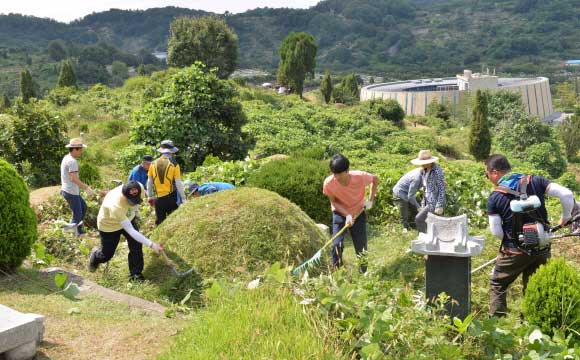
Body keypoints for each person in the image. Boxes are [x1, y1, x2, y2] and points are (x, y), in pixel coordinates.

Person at [485, 154, 574, 317]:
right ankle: (531, 323)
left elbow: (496, 232)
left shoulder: (495, 196)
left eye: (487, 174)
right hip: (542, 246)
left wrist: (511, 244)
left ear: (495, 172)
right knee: (534, 284)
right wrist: (566, 217)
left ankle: (496, 324)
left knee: (498, 282)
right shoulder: (535, 181)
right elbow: (567, 195)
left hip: (514, 251)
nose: (488, 178)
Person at [89, 181, 163, 282]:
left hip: (128, 218)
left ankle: (136, 275)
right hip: (109, 226)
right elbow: (131, 231)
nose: (133, 203)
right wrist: (152, 245)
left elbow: (137, 203)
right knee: (106, 255)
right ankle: (95, 255)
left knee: (136, 244)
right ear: (124, 196)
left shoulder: (138, 187)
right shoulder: (115, 205)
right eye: (131, 201)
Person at [322, 154, 378, 273]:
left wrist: (370, 200)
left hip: (358, 212)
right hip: (340, 213)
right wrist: (346, 215)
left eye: (339, 173)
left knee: (360, 244)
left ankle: (363, 272)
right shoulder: (328, 183)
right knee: (337, 244)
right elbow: (333, 202)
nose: (336, 177)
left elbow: (375, 179)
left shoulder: (360, 177)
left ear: (347, 170)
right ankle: (337, 272)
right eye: (334, 173)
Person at [60, 138, 95, 236]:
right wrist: (86, 188)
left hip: (69, 190)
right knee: (78, 213)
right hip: (71, 191)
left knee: (83, 207)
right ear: (74, 149)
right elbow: (74, 179)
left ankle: (78, 229)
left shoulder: (66, 157)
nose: (81, 152)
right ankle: (71, 232)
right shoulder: (72, 162)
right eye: (80, 150)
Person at [146, 140, 187, 225]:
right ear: (171, 152)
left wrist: (150, 196)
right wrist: (183, 198)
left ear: (161, 151)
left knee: (160, 223)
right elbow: (178, 183)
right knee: (174, 222)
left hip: (158, 199)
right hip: (171, 197)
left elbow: (149, 182)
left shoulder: (153, 164)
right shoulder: (174, 164)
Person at [411, 150, 446, 233]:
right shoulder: (424, 171)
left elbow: (441, 188)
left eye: (424, 162)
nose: (422, 164)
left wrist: (439, 205)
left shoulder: (437, 171)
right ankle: (430, 240)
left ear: (430, 162)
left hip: (434, 203)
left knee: (419, 219)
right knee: (433, 225)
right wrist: (423, 203)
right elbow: (426, 188)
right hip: (427, 200)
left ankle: (423, 238)